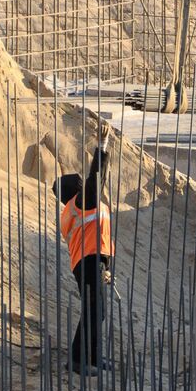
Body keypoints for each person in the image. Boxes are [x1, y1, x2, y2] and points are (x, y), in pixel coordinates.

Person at [56, 127, 114, 376]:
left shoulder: (74, 209)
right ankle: (78, 360)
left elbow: (96, 234)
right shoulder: (81, 203)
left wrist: (106, 266)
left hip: (90, 262)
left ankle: (92, 357)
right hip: (88, 262)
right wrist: (101, 148)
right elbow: (96, 178)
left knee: (97, 311)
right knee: (94, 310)